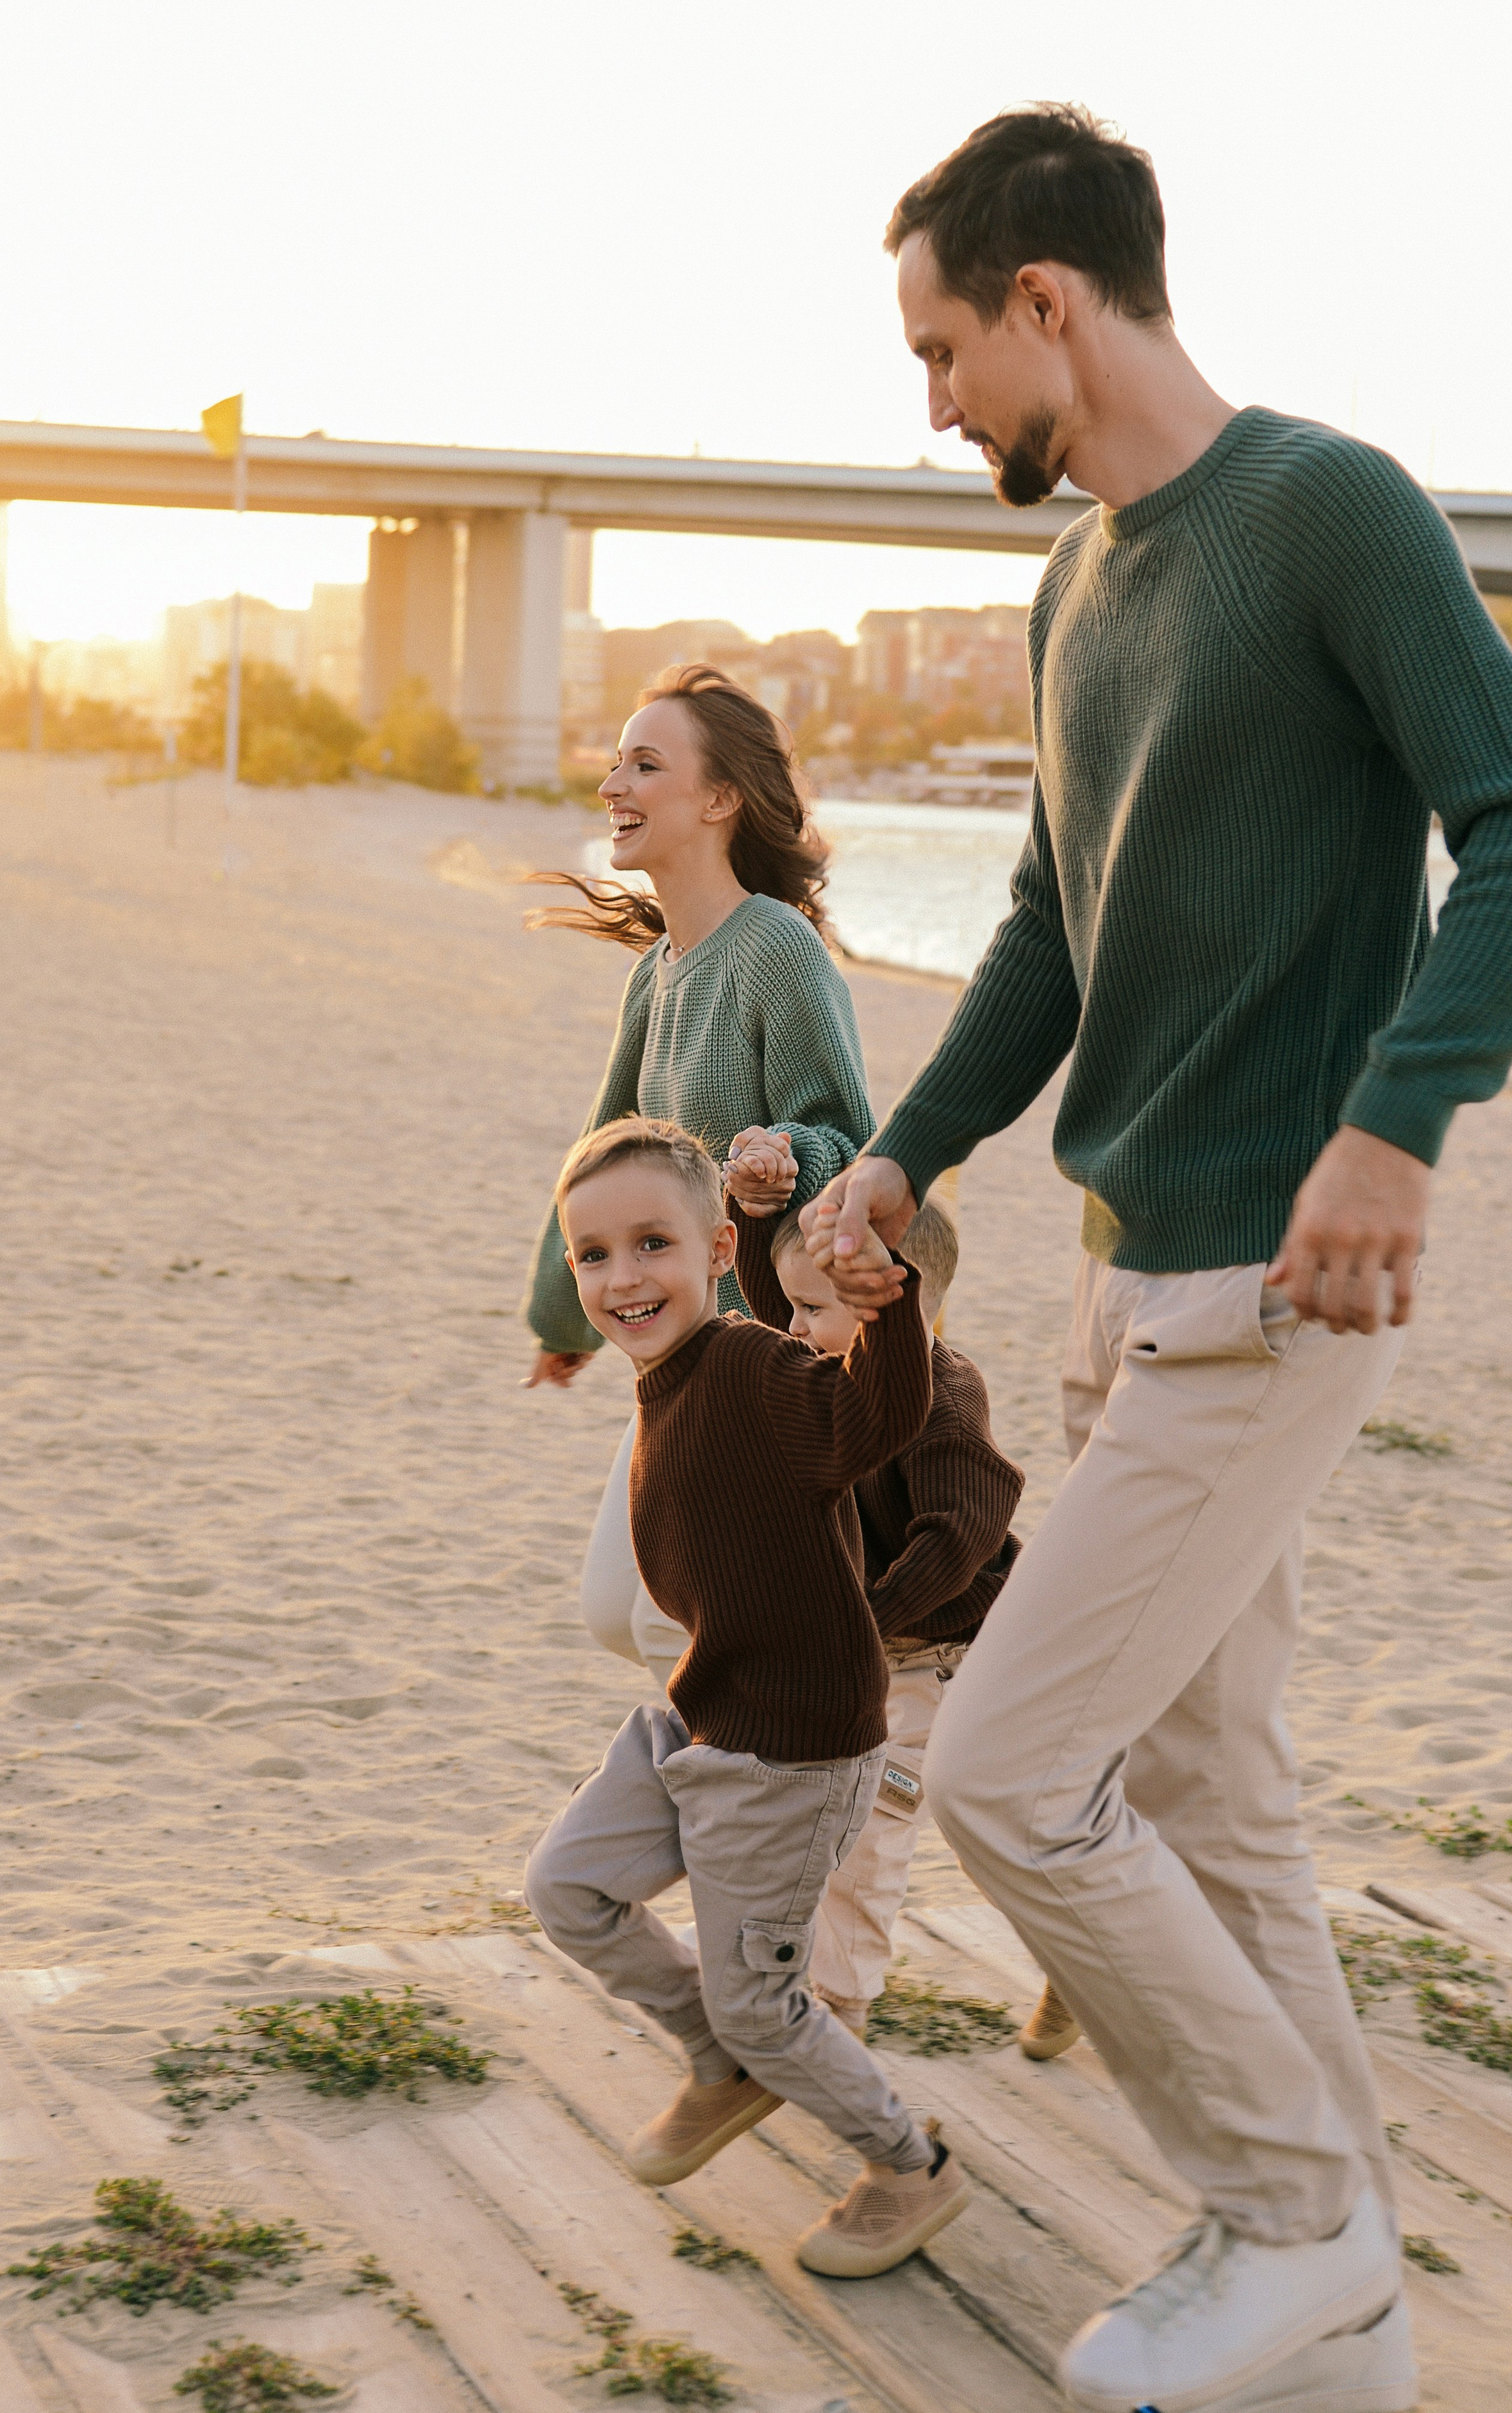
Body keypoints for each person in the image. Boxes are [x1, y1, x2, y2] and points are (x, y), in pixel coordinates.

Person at [802, 104, 1512, 2413]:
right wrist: (906, 1153)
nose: (934, 401)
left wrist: (1397, 1119)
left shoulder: (1325, 508)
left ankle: (1286, 2216)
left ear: (1050, 298)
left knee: (1018, 1766)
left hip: (1279, 1279)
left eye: (946, 347)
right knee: (1208, 1787)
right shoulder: (1080, 590)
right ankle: (1340, 2304)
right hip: (1117, 1264)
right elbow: (1057, 932)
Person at [523, 1115, 971, 2278]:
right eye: (594, 1256)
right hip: (704, 1710)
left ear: (719, 1250)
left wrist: (887, 1307)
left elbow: (874, 1417)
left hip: (792, 1750)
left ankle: (910, 2165)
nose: (624, 1278)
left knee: (768, 2000)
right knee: (568, 1888)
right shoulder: (667, 1376)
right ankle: (720, 2060)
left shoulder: (752, 1368)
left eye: (653, 1245)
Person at [520, 664, 874, 1687]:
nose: (612, 787)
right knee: (613, 1614)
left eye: (645, 764)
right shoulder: (659, 969)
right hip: (677, 1358)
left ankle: (755, 1806)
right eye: (614, 763)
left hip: (764, 1363)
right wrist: (562, 1319)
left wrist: (784, 1161)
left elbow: (850, 1137)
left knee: (680, 1630)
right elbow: (605, 1156)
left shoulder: (776, 948)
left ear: (719, 800)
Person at [735, 1192, 1025, 2038]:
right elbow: (769, 1299)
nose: (790, 1327)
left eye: (812, 1310)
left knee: (873, 1828)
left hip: (938, 1655)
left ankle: (843, 2007)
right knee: (806, 1808)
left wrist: (863, 1619)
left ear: (888, 1303)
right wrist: (752, 1218)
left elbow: (961, 1535)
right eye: (792, 1306)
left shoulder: (944, 1398)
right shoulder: (835, 1366)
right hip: (866, 1646)